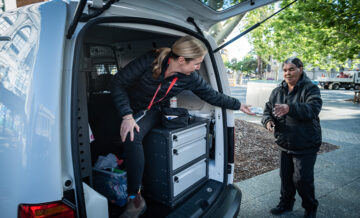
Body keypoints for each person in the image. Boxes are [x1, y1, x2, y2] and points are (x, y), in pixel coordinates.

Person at [111, 35, 254, 218]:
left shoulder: (190, 77)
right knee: (111, 137)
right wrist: (127, 115)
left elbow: (211, 95)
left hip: (152, 110)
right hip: (127, 106)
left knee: (132, 136)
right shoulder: (151, 60)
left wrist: (238, 105)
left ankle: (135, 198)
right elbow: (118, 83)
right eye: (196, 63)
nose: (198, 68)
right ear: (180, 60)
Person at [262, 57, 322, 218]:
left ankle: (310, 208)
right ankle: (286, 204)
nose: (287, 73)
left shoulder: (311, 88)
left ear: (300, 69)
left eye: (291, 69)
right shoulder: (277, 91)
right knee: (286, 178)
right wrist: (268, 121)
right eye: (285, 70)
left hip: (306, 143)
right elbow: (267, 110)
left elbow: (312, 109)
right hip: (284, 142)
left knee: (302, 180)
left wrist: (290, 108)